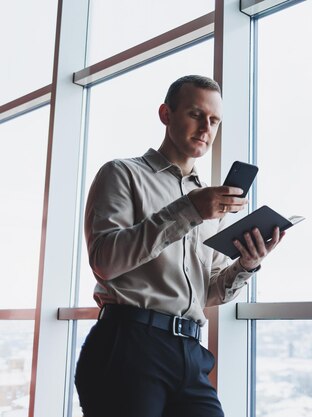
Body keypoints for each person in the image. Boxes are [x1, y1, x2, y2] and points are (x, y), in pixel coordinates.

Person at [74, 75, 284, 417]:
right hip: (129, 342)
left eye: (214, 120)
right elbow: (104, 261)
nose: (206, 128)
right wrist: (189, 211)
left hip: (190, 351)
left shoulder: (209, 202)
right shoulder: (122, 174)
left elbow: (210, 291)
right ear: (166, 114)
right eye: (195, 114)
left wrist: (246, 264)